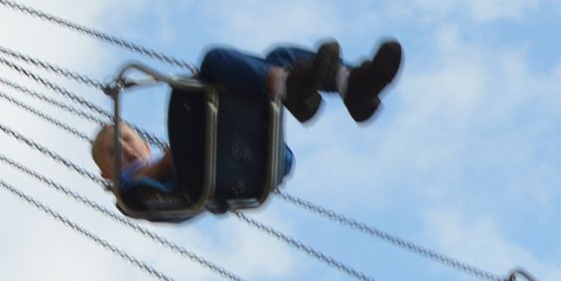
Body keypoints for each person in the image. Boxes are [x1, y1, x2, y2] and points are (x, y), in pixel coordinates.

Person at [93, 40, 403, 203]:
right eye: (112, 151)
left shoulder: (167, 159)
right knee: (214, 59)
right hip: (223, 169)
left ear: (146, 144)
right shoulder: (132, 185)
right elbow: (156, 173)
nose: (124, 149)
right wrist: (173, 156)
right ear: (107, 174)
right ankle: (291, 85)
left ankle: (354, 84)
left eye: (127, 138)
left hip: (252, 159)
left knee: (280, 55)